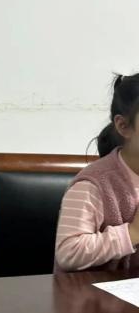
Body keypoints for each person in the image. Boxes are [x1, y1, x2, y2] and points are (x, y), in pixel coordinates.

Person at [55, 73, 139, 271]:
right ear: (124, 126)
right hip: (92, 291)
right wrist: (133, 232)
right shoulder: (93, 184)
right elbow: (69, 252)